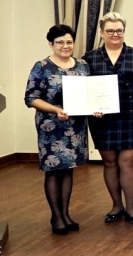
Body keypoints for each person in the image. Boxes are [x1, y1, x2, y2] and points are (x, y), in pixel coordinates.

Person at [84, 12, 133, 226]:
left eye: (119, 30)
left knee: (128, 162)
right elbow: (85, 88)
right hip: (102, 118)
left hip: (131, 116)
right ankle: (116, 206)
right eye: (111, 31)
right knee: (110, 162)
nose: (115, 34)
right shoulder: (90, 58)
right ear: (101, 32)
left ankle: (131, 208)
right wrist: (91, 107)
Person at [24, 25, 91, 235]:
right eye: (60, 42)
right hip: (51, 126)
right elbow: (31, 98)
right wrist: (55, 109)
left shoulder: (83, 65)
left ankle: (65, 214)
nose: (65, 46)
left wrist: (96, 108)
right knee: (53, 170)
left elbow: (90, 94)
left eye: (69, 42)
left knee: (69, 169)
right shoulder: (42, 66)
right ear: (51, 44)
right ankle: (56, 217)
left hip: (75, 127)